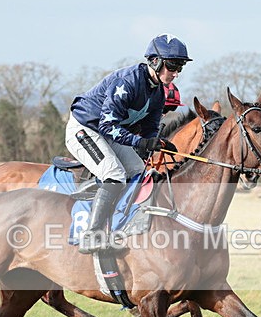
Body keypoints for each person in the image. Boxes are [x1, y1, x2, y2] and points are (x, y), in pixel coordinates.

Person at [65, 33, 192, 254]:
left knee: (139, 174)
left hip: (109, 134)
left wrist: (158, 143)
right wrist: (140, 142)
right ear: (155, 61)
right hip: (85, 129)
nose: (176, 73)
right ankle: (91, 236)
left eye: (180, 67)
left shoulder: (158, 93)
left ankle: (120, 226)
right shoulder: (128, 81)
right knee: (114, 174)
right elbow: (107, 126)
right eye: (172, 66)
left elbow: (150, 130)